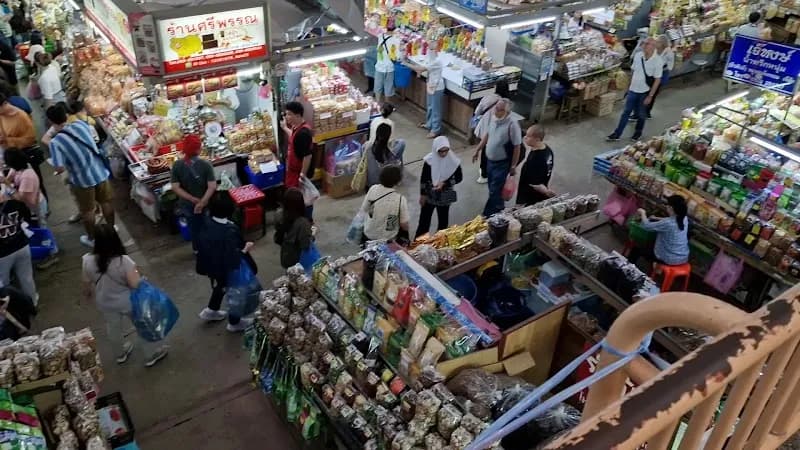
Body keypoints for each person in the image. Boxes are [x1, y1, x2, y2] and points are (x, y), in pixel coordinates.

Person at [81, 224, 168, 367]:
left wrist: (88, 295)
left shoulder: (87, 260)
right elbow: (135, 284)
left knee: (113, 328)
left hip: (105, 302)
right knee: (142, 325)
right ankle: (151, 354)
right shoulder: (124, 261)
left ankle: (120, 354)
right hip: (128, 301)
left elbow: (86, 284)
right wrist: (141, 278)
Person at [47, 103, 114, 247]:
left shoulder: (55, 142)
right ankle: (111, 229)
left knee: (88, 211)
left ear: (51, 121)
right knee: (106, 202)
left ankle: (92, 239)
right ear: (66, 115)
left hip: (82, 180)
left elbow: (59, 167)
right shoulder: (81, 124)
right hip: (100, 172)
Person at [195, 192, 255, 332]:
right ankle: (235, 322)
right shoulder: (229, 231)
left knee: (221, 285)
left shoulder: (206, 221)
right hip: (227, 268)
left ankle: (212, 310)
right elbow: (233, 259)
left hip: (211, 265)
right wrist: (245, 249)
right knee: (236, 292)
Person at [472, 99, 522, 217]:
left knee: (495, 190)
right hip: (490, 161)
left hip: (502, 164)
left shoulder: (512, 125)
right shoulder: (493, 118)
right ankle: (499, 209)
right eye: (496, 108)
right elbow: (487, 135)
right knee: (493, 189)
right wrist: (478, 149)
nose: (496, 111)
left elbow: (517, 147)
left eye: (500, 110)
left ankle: (487, 215)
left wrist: (513, 166)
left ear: (507, 112)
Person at [607, 38, 662, 142]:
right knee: (626, 112)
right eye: (644, 43)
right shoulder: (638, 55)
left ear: (653, 47)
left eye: (647, 44)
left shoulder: (658, 61)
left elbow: (657, 80)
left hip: (645, 92)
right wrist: (629, 87)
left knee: (641, 114)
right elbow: (633, 71)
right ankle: (617, 133)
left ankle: (638, 133)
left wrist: (650, 96)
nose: (644, 45)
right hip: (633, 90)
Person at [170, 134, 216, 249]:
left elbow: (175, 187)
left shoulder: (177, 165)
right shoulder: (206, 165)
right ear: (198, 150)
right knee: (207, 226)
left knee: (194, 228)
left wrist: (192, 199)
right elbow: (212, 186)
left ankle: (197, 249)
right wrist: (202, 202)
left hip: (187, 204)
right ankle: (210, 249)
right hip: (205, 204)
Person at [415, 136, 462, 238]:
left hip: (446, 195)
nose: (444, 154)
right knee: (424, 221)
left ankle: (439, 243)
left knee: (443, 222)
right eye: (441, 151)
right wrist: (422, 195)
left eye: (446, 150)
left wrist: (445, 183)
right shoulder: (429, 161)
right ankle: (419, 243)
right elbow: (424, 179)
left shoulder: (453, 161)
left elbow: (459, 177)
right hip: (430, 194)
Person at [632, 195, 690, 266]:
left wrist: (642, 213)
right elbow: (672, 221)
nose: (666, 206)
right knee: (653, 242)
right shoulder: (684, 218)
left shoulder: (668, 223)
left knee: (636, 249)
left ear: (671, 208)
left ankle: (627, 268)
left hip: (669, 259)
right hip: (682, 257)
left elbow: (647, 226)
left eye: (667, 205)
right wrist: (656, 218)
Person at [0, 194, 36, 304]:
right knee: (27, 278)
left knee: (4, 284)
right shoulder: (15, 204)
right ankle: (32, 303)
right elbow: (28, 218)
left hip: (3, 255)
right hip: (22, 246)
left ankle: (9, 307)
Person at [360, 165, 410, 243]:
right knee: (400, 223)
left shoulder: (373, 189)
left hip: (369, 234)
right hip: (387, 238)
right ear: (398, 182)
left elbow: (364, 209)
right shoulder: (400, 199)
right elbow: (404, 225)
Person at [473, 80, 511, 182]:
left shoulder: (488, 97)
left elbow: (477, 111)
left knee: (485, 149)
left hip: (485, 127)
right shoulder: (507, 103)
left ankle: (484, 173)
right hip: (498, 131)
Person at [3, 149, 45, 227]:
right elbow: (9, 178)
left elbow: (20, 198)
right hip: (29, 204)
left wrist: (7, 184)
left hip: (35, 206)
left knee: (39, 227)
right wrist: (5, 180)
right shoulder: (18, 167)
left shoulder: (27, 176)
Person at [409, 49, 445, 138]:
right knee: (430, 106)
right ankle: (429, 124)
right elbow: (423, 67)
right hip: (431, 85)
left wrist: (406, 63)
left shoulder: (437, 61)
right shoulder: (430, 59)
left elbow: (421, 69)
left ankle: (435, 130)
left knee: (436, 109)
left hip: (437, 87)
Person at [517, 125, 555, 206]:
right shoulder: (547, 149)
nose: (525, 138)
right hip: (542, 186)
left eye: (528, 136)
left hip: (530, 195)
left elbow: (536, 184)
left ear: (537, 139)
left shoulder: (536, 159)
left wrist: (546, 192)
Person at [274, 188, 312, 269]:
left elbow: (278, 230)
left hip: (286, 254)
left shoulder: (278, 214)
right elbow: (305, 245)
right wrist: (312, 235)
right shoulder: (302, 223)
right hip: (299, 258)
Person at [365, 123, 405, 189]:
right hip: (383, 183)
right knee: (402, 143)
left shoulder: (366, 146)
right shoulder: (387, 154)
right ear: (388, 136)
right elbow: (394, 165)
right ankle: (400, 176)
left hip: (369, 182)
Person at [646, 35, 674, 119]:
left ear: (662, 44)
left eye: (658, 42)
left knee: (652, 94)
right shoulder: (655, 49)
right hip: (651, 73)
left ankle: (647, 112)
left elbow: (670, 66)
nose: (656, 43)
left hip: (661, 75)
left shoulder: (668, 53)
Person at [374, 26, 399, 103]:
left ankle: (377, 103)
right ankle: (387, 104)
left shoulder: (380, 36)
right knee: (388, 86)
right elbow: (397, 57)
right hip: (389, 67)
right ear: (395, 30)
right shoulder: (396, 40)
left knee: (378, 85)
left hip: (379, 66)